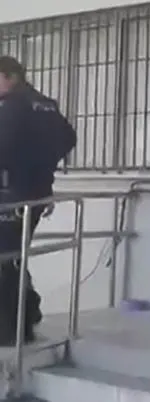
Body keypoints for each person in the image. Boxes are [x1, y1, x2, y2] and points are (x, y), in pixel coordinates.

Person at [0, 56, 77, 346]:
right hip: (36, 194)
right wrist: (42, 168)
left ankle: (13, 329)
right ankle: (28, 314)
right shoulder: (45, 104)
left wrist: (22, 166)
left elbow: (4, 147)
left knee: (6, 260)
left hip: (11, 193)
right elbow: (69, 138)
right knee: (15, 256)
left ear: (10, 76)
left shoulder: (14, 105)